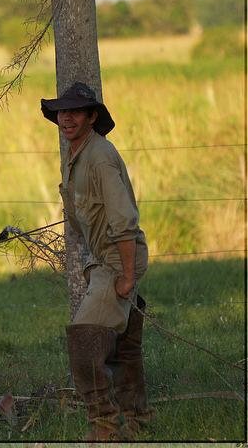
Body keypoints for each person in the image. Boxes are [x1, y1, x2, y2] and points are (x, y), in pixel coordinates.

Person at [41, 82, 155, 441]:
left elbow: (123, 219)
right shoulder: (76, 155)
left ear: (92, 116)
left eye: (75, 111)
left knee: (86, 344)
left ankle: (104, 429)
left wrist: (123, 277)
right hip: (105, 260)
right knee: (124, 349)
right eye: (62, 111)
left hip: (116, 260)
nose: (67, 117)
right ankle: (140, 423)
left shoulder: (100, 154)